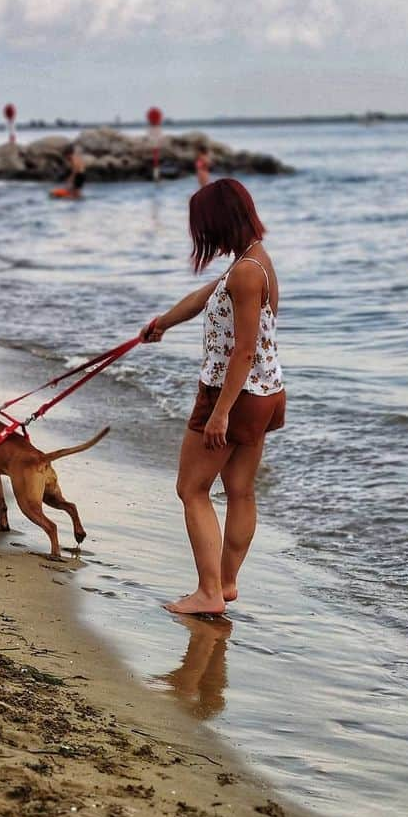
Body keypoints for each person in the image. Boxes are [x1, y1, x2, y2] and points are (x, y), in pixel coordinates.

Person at [141, 179, 285, 615]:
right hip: (266, 392)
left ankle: (207, 594)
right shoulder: (254, 260)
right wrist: (163, 322)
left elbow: (242, 349)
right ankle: (226, 584)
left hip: (233, 395)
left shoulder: (243, 272)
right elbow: (205, 298)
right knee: (240, 489)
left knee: (192, 489)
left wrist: (220, 412)